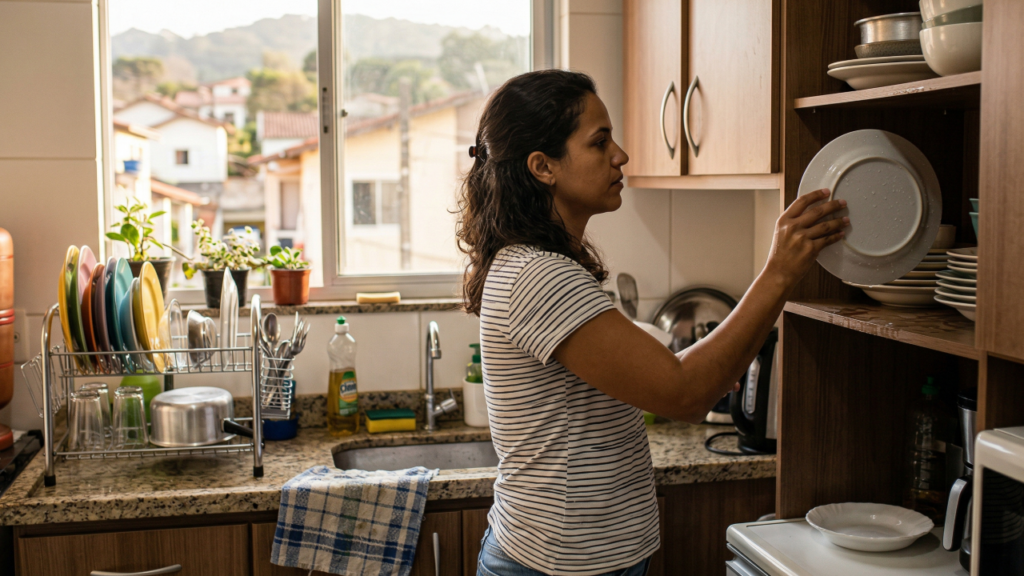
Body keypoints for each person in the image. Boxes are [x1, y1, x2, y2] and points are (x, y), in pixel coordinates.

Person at [455, 70, 848, 576]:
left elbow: (653, 377)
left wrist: (707, 362)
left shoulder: (543, 265)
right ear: (543, 166)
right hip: (556, 565)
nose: (620, 155)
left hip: (579, 559)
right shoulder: (539, 275)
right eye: (600, 143)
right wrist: (779, 271)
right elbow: (685, 394)